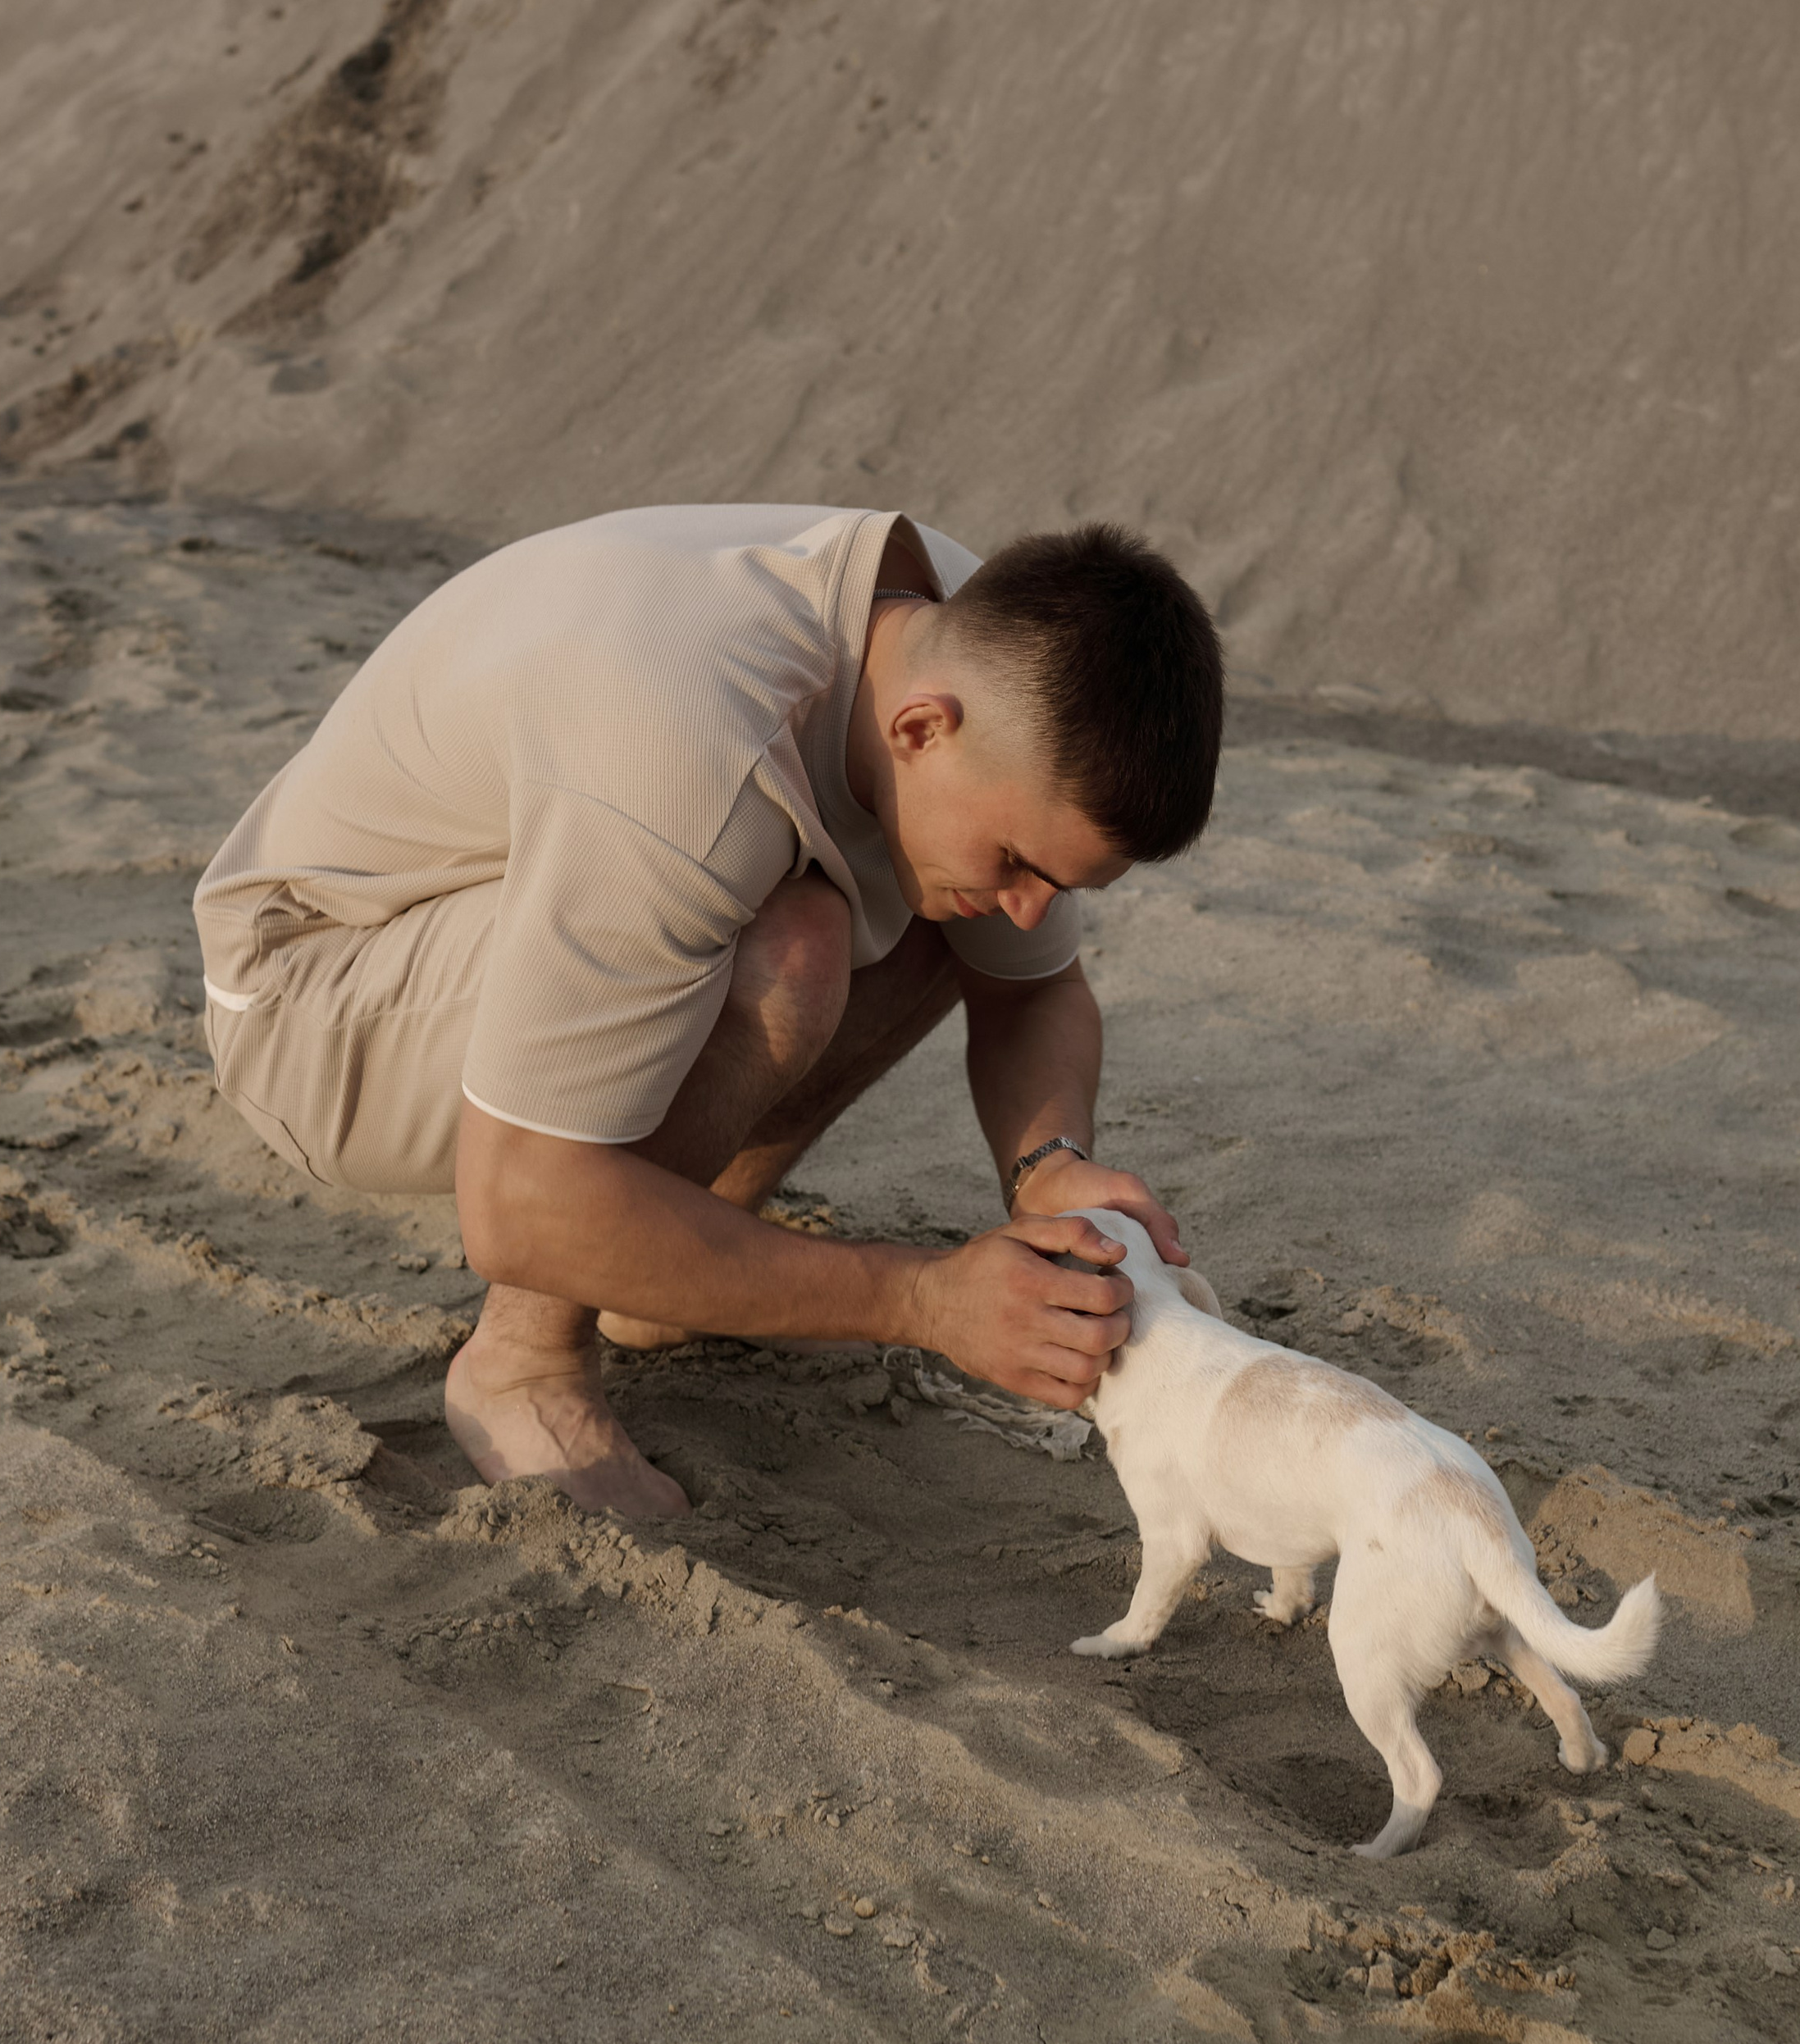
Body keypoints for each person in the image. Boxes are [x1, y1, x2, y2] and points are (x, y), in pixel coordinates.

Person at [194, 503, 1223, 1521]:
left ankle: (666, 1268)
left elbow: (1032, 984)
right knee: (795, 946)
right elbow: (516, 1204)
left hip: (512, 892)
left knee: (934, 902)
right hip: (310, 993)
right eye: (1021, 861)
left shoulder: (965, 636)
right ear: (921, 727)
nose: (1035, 906)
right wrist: (922, 1301)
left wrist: (1048, 1167)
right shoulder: (692, 758)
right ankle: (524, 1357)